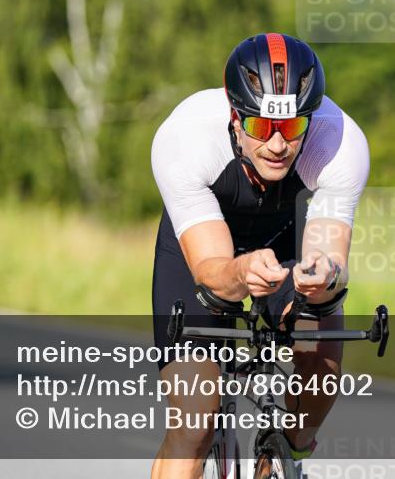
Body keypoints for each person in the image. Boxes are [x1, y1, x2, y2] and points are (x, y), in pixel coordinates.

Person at [150, 32, 370, 478]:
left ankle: (287, 452)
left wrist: (323, 278)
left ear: (309, 120)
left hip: (288, 244)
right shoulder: (185, 137)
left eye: (291, 128)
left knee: (320, 349)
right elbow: (210, 271)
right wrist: (243, 270)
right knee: (194, 424)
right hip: (204, 251)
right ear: (235, 118)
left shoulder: (339, 141)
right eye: (261, 128)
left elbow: (330, 256)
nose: (277, 144)